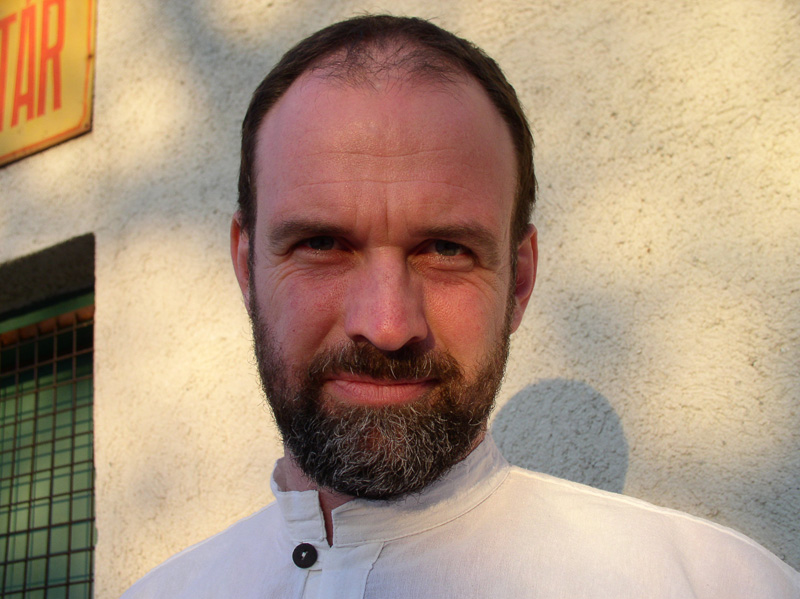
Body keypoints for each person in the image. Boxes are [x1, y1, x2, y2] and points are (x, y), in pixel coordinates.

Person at [123, 15, 800, 598]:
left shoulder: (717, 584)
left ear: (520, 280)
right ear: (246, 267)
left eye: (446, 249)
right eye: (321, 243)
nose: (387, 326)